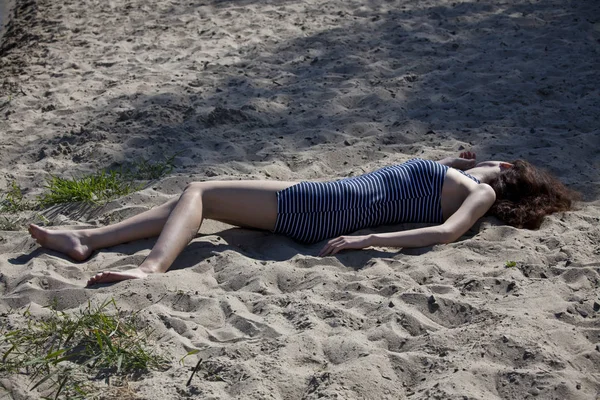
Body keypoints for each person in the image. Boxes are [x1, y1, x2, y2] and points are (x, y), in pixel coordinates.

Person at [27, 152, 577, 286]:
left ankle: (150, 268)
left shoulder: (476, 190)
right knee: (200, 205)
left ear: (503, 169)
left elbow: (444, 233)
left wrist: (369, 238)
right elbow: (432, 193)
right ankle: (88, 239)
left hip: (323, 205)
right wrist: (456, 159)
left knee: (200, 188)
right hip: (326, 207)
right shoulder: (460, 176)